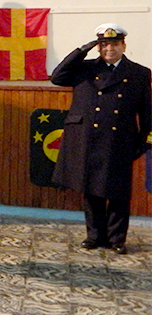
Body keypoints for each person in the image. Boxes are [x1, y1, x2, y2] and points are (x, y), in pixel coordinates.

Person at [50, 24, 151, 255]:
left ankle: (117, 239)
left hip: (120, 140)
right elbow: (57, 77)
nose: (109, 49)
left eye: (114, 44)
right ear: (98, 47)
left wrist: (145, 141)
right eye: (104, 44)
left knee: (118, 192)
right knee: (91, 190)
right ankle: (94, 236)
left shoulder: (139, 72)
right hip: (88, 139)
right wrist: (81, 50)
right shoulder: (84, 68)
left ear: (123, 46)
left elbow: (146, 111)